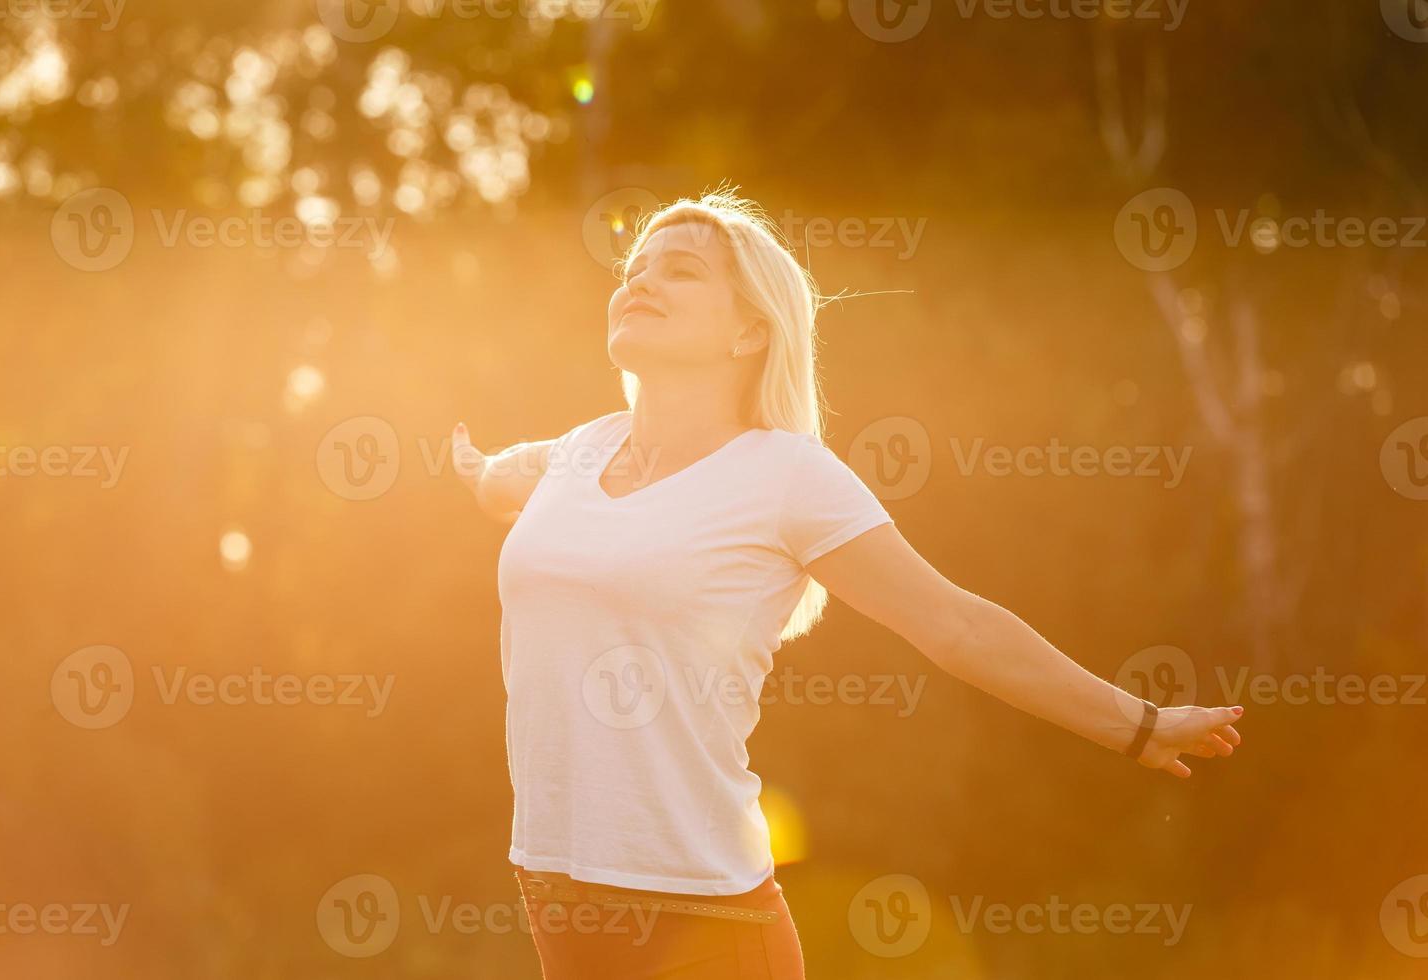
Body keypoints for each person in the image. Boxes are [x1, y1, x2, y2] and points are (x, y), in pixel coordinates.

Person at [451, 188, 1245, 980]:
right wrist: (473, 468)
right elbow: (501, 479)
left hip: (698, 914)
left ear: (751, 330)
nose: (641, 282)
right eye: (635, 268)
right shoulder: (578, 453)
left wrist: (1138, 725)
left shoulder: (787, 478)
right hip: (556, 890)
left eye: (681, 271)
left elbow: (956, 625)